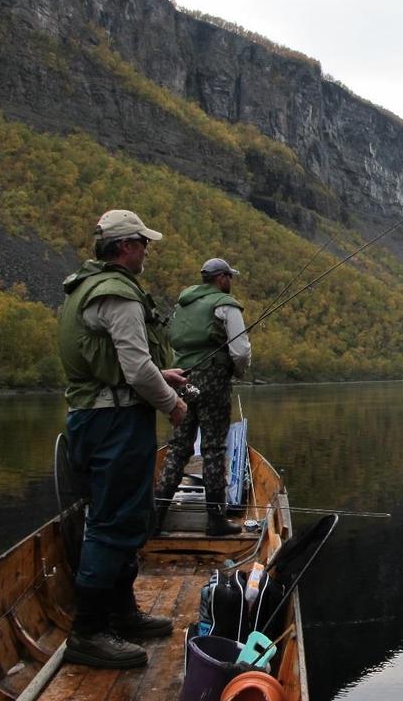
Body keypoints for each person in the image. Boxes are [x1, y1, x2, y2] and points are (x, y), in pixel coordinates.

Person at [57, 209, 189, 669]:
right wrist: (171, 403)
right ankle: (88, 633)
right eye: (143, 243)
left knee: (126, 515)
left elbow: (122, 364)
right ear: (125, 246)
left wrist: (162, 373)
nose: (147, 250)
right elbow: (134, 368)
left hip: (96, 419)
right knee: (115, 522)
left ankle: (122, 613)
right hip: (114, 424)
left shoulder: (85, 288)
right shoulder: (119, 295)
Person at [154, 257, 251, 536]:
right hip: (213, 383)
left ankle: (157, 517)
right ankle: (216, 520)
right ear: (220, 278)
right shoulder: (225, 305)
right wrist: (239, 371)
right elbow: (241, 351)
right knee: (213, 449)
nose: (230, 282)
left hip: (183, 383)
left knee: (179, 446)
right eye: (229, 277)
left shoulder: (181, 307)